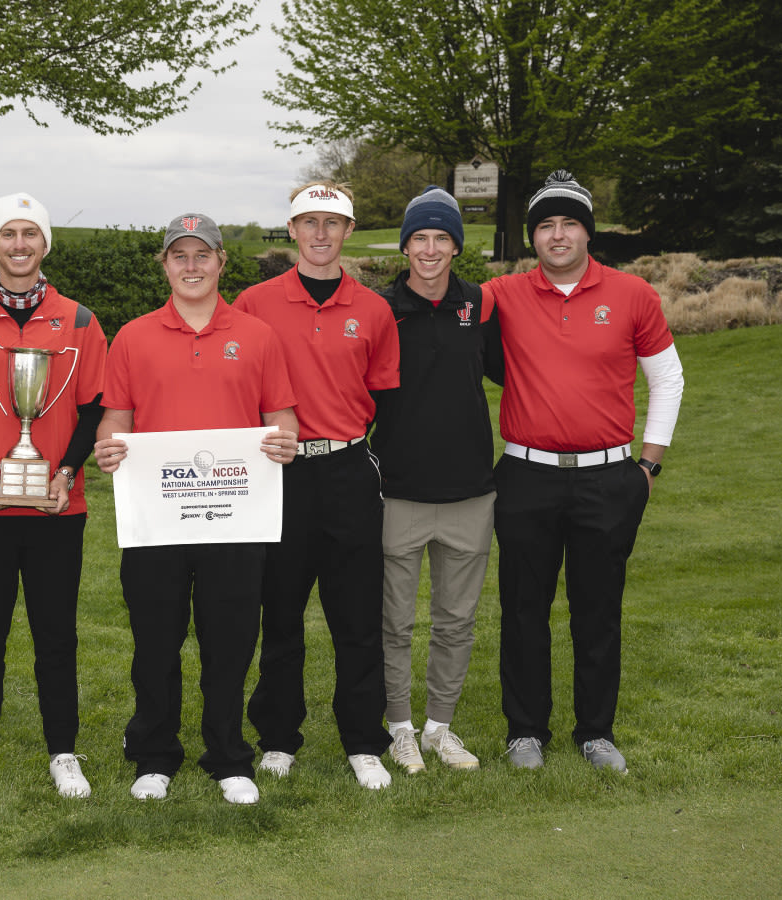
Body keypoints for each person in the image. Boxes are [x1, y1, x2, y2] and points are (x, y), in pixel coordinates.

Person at [93, 213, 299, 805]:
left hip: (234, 517)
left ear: (220, 262)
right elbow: (117, 416)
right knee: (155, 640)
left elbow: (280, 415)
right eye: (179, 255)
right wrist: (109, 444)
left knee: (229, 640)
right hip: (157, 516)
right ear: (164, 264)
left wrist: (285, 439)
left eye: (201, 255)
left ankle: (229, 755)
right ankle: (154, 755)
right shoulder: (133, 336)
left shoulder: (256, 335)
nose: (191, 265)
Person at [485, 170, 683, 773]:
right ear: (533, 237)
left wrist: (648, 463)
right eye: (545, 225)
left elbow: (667, 379)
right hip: (525, 475)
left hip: (607, 477)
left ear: (587, 231)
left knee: (597, 609)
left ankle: (596, 731)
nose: (558, 234)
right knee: (524, 608)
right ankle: (526, 731)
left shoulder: (633, 295)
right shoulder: (504, 296)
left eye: (569, 222)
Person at [0, 192, 106, 799]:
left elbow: (93, 410)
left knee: (56, 633)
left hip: (57, 506)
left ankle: (63, 751)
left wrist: (64, 473)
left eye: (29, 234)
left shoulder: (80, 320)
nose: (18, 245)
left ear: (44, 245)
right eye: (8, 234)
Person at [234, 181, 401, 790]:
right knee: (279, 613)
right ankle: (278, 735)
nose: (321, 234)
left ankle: (363, 739)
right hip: (278, 472)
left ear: (348, 232)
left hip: (349, 470)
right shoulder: (254, 304)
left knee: (356, 615)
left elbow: (382, 395)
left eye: (333, 223)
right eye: (310, 222)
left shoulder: (375, 309)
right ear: (293, 230)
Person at [370, 186, 496, 774]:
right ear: (405, 245)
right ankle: (399, 727)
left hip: (472, 491)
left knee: (456, 620)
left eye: (441, 237)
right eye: (418, 237)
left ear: (455, 245)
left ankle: (439, 727)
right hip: (398, 490)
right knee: (393, 621)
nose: (429, 249)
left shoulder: (480, 305)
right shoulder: (379, 310)